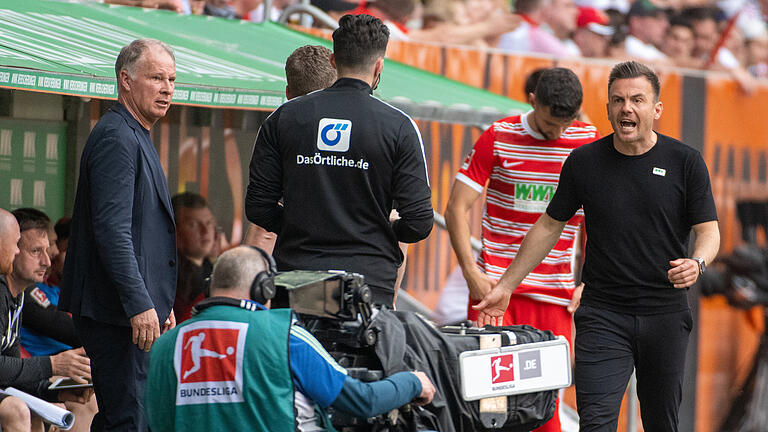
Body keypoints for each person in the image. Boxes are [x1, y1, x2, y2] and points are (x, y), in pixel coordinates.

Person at [474, 61, 720, 431]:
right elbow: (548, 226)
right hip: (603, 315)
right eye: (618, 100)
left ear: (656, 109)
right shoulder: (585, 161)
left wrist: (697, 263)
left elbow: (709, 231)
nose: (627, 108)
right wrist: (506, 286)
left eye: (637, 100)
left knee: (661, 422)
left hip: (664, 314)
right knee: (596, 422)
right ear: (607, 108)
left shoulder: (684, 162)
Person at [444, 67, 597, 432]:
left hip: (555, 298)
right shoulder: (498, 136)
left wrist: (589, 279)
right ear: (532, 101)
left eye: (565, 124)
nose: (557, 133)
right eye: (549, 124)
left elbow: (604, 219)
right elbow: (454, 208)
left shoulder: (589, 142)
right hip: (496, 294)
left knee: (547, 415)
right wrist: (472, 274)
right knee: (490, 409)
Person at [246, 14, 433, 307]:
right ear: (379, 65)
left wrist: (298, 227)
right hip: (368, 285)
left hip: (297, 277)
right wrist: (382, 230)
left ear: (333, 61)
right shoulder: (400, 127)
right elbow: (419, 223)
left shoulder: (283, 118)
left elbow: (258, 207)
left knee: (297, 353)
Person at [145, 246, 435, 431]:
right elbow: (362, 400)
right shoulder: (283, 335)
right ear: (264, 289)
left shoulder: (162, 347)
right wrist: (413, 382)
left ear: (211, 288)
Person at [60, 38, 178, 431]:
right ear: (125, 80)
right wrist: (140, 303)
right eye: (156, 77)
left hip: (131, 310)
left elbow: (141, 234)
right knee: (128, 419)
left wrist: (159, 300)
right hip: (117, 313)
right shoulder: (116, 136)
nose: (167, 88)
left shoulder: (135, 132)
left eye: (172, 80)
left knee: (129, 418)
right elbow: (112, 232)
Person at [0, 209, 94, 432]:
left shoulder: (18, 295)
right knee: (17, 408)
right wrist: (53, 365)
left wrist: (54, 391)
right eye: (35, 251)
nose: (46, 261)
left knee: (37, 408)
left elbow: (13, 374)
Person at [243, 44, 338, 255]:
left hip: (292, 259)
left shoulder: (277, 126)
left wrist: (252, 286)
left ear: (287, 93)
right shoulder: (372, 126)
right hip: (357, 268)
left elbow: (263, 224)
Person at [172, 192, 216, 322]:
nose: (205, 231)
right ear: (175, 231)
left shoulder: (215, 270)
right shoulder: (169, 277)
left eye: (209, 223)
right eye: (193, 224)